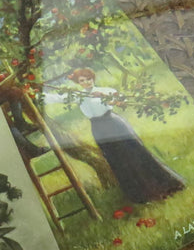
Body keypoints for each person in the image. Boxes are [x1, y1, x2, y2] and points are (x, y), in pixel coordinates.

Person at [62, 68, 186, 204]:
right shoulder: (77, 96)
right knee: (118, 161)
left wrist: (105, 97)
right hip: (98, 130)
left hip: (114, 124)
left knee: (137, 154)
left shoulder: (105, 90)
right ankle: (140, 196)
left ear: (93, 78)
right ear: (78, 83)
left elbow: (121, 101)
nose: (86, 82)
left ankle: (165, 186)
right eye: (82, 81)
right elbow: (55, 98)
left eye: (88, 79)